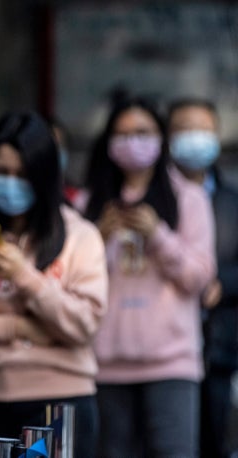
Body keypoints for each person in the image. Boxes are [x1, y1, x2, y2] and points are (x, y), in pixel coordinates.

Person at [0, 111, 108, 458]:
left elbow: (84, 324)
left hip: (57, 404)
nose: (10, 182)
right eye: (0, 172)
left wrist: (24, 278)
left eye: (22, 174)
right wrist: (15, 325)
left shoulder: (80, 236)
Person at [83, 96, 216, 457]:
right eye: (123, 134)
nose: (132, 142)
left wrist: (158, 236)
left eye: (142, 132)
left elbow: (199, 278)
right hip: (106, 364)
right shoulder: (91, 202)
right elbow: (80, 282)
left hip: (171, 362)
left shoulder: (188, 199)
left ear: (161, 139)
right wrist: (101, 238)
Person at [168, 98, 238, 458]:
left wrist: (221, 283)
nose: (195, 139)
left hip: (217, 347)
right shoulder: (153, 200)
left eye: (203, 130)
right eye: (185, 129)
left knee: (213, 440)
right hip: (161, 345)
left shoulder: (231, 201)